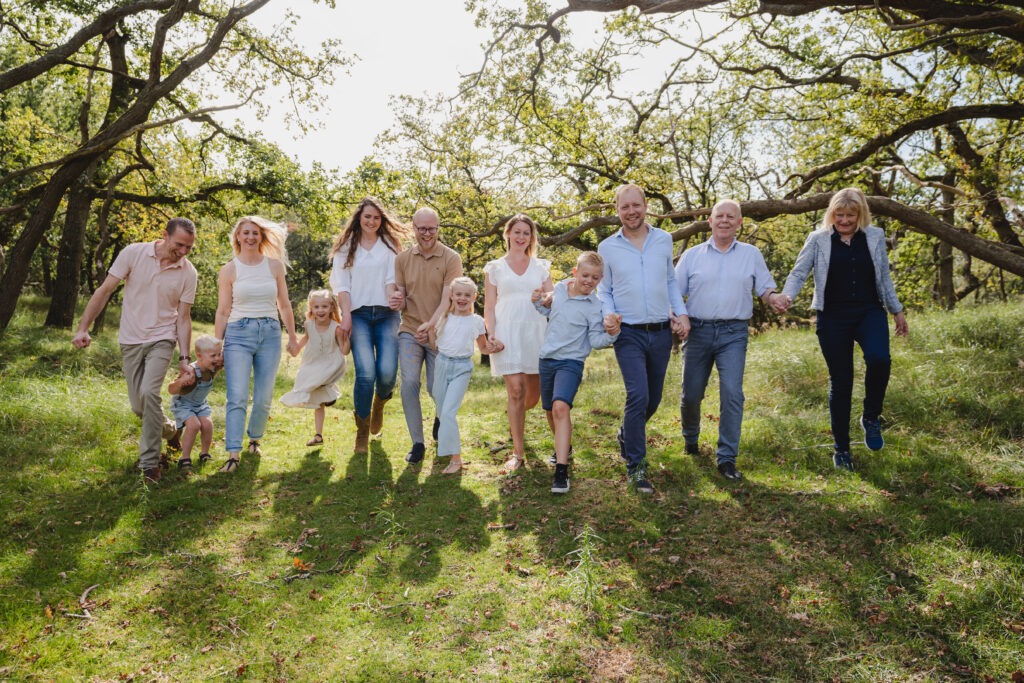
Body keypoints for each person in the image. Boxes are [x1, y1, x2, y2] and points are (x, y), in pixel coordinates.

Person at [778, 187, 908, 471]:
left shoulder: (874, 237)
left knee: (879, 359)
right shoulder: (818, 239)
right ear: (831, 214)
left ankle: (871, 417)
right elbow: (799, 272)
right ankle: (842, 450)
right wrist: (787, 295)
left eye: (851, 215)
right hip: (833, 315)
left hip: (869, 311)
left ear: (861, 214)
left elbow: (884, 276)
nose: (845, 220)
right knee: (842, 381)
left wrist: (896, 310)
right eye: (840, 214)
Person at [72, 217, 198, 483]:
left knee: (150, 393)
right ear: (164, 235)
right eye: (179, 245)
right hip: (130, 339)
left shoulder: (188, 273)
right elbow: (105, 290)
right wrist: (84, 327)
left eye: (189, 247)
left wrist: (185, 358)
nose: (184, 252)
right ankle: (171, 431)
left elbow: (183, 317)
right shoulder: (133, 253)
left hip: (163, 339)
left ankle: (149, 464)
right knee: (140, 406)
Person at [675, 200, 787, 481]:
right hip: (697, 331)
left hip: (733, 334)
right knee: (691, 394)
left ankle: (726, 458)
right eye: (719, 216)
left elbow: (765, 289)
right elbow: (675, 293)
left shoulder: (751, 254)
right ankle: (690, 438)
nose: (724, 220)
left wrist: (774, 299)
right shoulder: (692, 255)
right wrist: (679, 317)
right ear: (710, 222)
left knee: (732, 394)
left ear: (739, 223)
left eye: (731, 217)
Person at [597, 184, 689, 494]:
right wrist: (608, 314)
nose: (631, 211)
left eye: (636, 205)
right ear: (617, 210)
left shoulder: (663, 240)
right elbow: (604, 289)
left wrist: (682, 313)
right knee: (637, 395)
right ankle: (637, 468)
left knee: (653, 399)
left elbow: (670, 280)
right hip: (628, 333)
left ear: (646, 205)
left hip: (661, 332)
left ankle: (627, 432)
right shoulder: (607, 247)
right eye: (625, 207)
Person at [215, 216, 299, 473]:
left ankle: (254, 438)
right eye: (246, 233)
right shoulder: (229, 270)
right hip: (238, 334)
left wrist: (293, 337)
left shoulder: (274, 267)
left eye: (255, 233)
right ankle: (232, 454)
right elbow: (222, 310)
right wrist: (217, 344)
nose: (250, 237)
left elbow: (284, 305)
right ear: (237, 237)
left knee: (263, 398)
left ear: (261, 237)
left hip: (270, 333)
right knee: (237, 396)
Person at [532, 251, 620, 494]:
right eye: (585, 275)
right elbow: (547, 312)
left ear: (600, 280)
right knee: (550, 410)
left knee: (561, 407)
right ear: (575, 273)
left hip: (571, 362)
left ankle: (561, 472)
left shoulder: (596, 307)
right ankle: (565, 447)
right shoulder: (560, 289)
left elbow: (596, 339)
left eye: (594, 278)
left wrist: (613, 333)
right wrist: (538, 300)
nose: (588, 281)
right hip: (547, 359)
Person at [329, 197, 411, 453]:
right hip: (359, 315)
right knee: (365, 373)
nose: (372, 221)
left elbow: (391, 279)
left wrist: (394, 297)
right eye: (367, 217)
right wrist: (346, 315)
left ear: (381, 220)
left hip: (387, 315)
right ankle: (362, 432)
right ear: (359, 218)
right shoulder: (346, 247)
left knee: (387, 373)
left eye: (376, 217)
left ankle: (380, 402)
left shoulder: (389, 246)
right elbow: (342, 284)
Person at [391, 207, 464, 464]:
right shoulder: (401, 259)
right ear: (413, 229)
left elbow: (448, 299)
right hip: (410, 331)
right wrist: (396, 300)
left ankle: (439, 417)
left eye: (431, 228)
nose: (427, 233)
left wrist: (430, 327)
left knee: (437, 388)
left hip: (440, 333)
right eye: (422, 228)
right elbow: (399, 298)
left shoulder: (451, 258)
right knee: (409, 382)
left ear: (438, 228)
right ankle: (417, 442)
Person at [483, 214, 554, 473]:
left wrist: (544, 296)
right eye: (517, 232)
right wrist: (491, 333)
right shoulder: (495, 268)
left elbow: (553, 297)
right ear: (508, 234)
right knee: (515, 390)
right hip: (506, 332)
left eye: (527, 233)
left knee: (532, 397)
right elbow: (489, 306)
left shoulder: (540, 267)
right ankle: (518, 452)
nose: (521, 237)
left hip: (535, 332)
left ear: (531, 238)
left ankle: (515, 417)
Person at [430, 277, 489, 474]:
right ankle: (445, 447)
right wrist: (428, 334)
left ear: (474, 297)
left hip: (462, 367)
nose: (462, 298)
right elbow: (434, 343)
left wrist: (497, 346)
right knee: (441, 410)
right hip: (442, 363)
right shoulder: (443, 317)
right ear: (451, 296)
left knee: (448, 412)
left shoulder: (477, 321)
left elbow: (484, 348)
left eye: (466, 295)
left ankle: (456, 459)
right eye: (458, 294)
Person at [280, 289, 350, 446]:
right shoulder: (308, 325)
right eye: (316, 307)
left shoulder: (336, 328)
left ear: (332, 308)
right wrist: (295, 348)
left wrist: (347, 339)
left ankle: (327, 392)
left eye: (324, 306)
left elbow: (344, 351)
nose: (320, 310)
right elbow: (305, 339)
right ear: (311, 308)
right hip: (313, 363)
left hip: (330, 364)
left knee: (316, 386)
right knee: (318, 401)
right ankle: (318, 436)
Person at [168, 334, 223, 472]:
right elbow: (171, 389)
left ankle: (204, 453)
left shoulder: (212, 369)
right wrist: (181, 382)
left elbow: (221, 364)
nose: (217, 359)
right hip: (183, 404)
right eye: (213, 356)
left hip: (200, 404)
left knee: (207, 424)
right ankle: (184, 457)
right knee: (194, 425)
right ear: (199, 356)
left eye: (218, 354)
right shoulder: (190, 371)